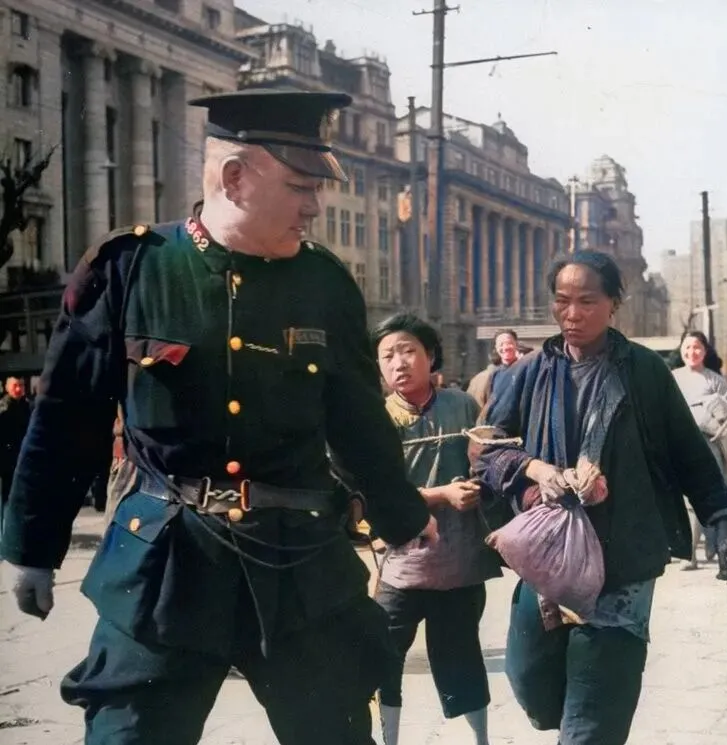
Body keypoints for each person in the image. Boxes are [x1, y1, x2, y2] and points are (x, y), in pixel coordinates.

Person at [0, 88, 437, 745]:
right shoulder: (133, 268)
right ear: (234, 178)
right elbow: (67, 418)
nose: (314, 206)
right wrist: (32, 549)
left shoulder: (325, 283)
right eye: (300, 187)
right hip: (164, 566)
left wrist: (402, 515)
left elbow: (357, 422)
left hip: (298, 567)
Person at [473, 250, 727, 745]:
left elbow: (688, 451)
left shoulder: (644, 371)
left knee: (595, 709)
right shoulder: (529, 371)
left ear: (614, 303)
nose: (572, 314)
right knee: (529, 681)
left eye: (587, 301)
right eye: (562, 301)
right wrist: (535, 470)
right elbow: (487, 446)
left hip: (622, 555)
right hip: (549, 555)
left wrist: (719, 514)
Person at [372, 313, 501, 745]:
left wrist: (479, 485)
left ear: (430, 356)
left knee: (461, 658)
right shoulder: (375, 419)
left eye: (408, 351)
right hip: (401, 565)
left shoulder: (462, 406)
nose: (399, 363)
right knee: (381, 656)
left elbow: (488, 463)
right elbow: (376, 490)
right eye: (387, 356)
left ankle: (479, 739)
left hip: (459, 564)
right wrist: (442, 494)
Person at [673, 331, 727, 575]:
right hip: (679, 445)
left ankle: (711, 546)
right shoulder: (672, 378)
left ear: (705, 351)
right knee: (685, 501)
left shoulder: (715, 380)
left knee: (708, 495)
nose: (692, 352)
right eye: (687, 347)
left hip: (710, 446)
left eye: (697, 347)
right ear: (681, 350)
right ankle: (690, 553)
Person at [0, 376, 31, 535]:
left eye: (21, 385)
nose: (18, 389)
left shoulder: (28, 407)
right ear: (7, 387)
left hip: (22, 460)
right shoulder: (3, 409)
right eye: (15, 385)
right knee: (6, 500)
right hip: (6, 462)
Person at [466, 330, 520, 409]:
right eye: (501, 344)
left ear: (516, 345)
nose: (505, 347)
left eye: (509, 343)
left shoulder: (525, 370)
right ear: (496, 348)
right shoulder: (490, 376)